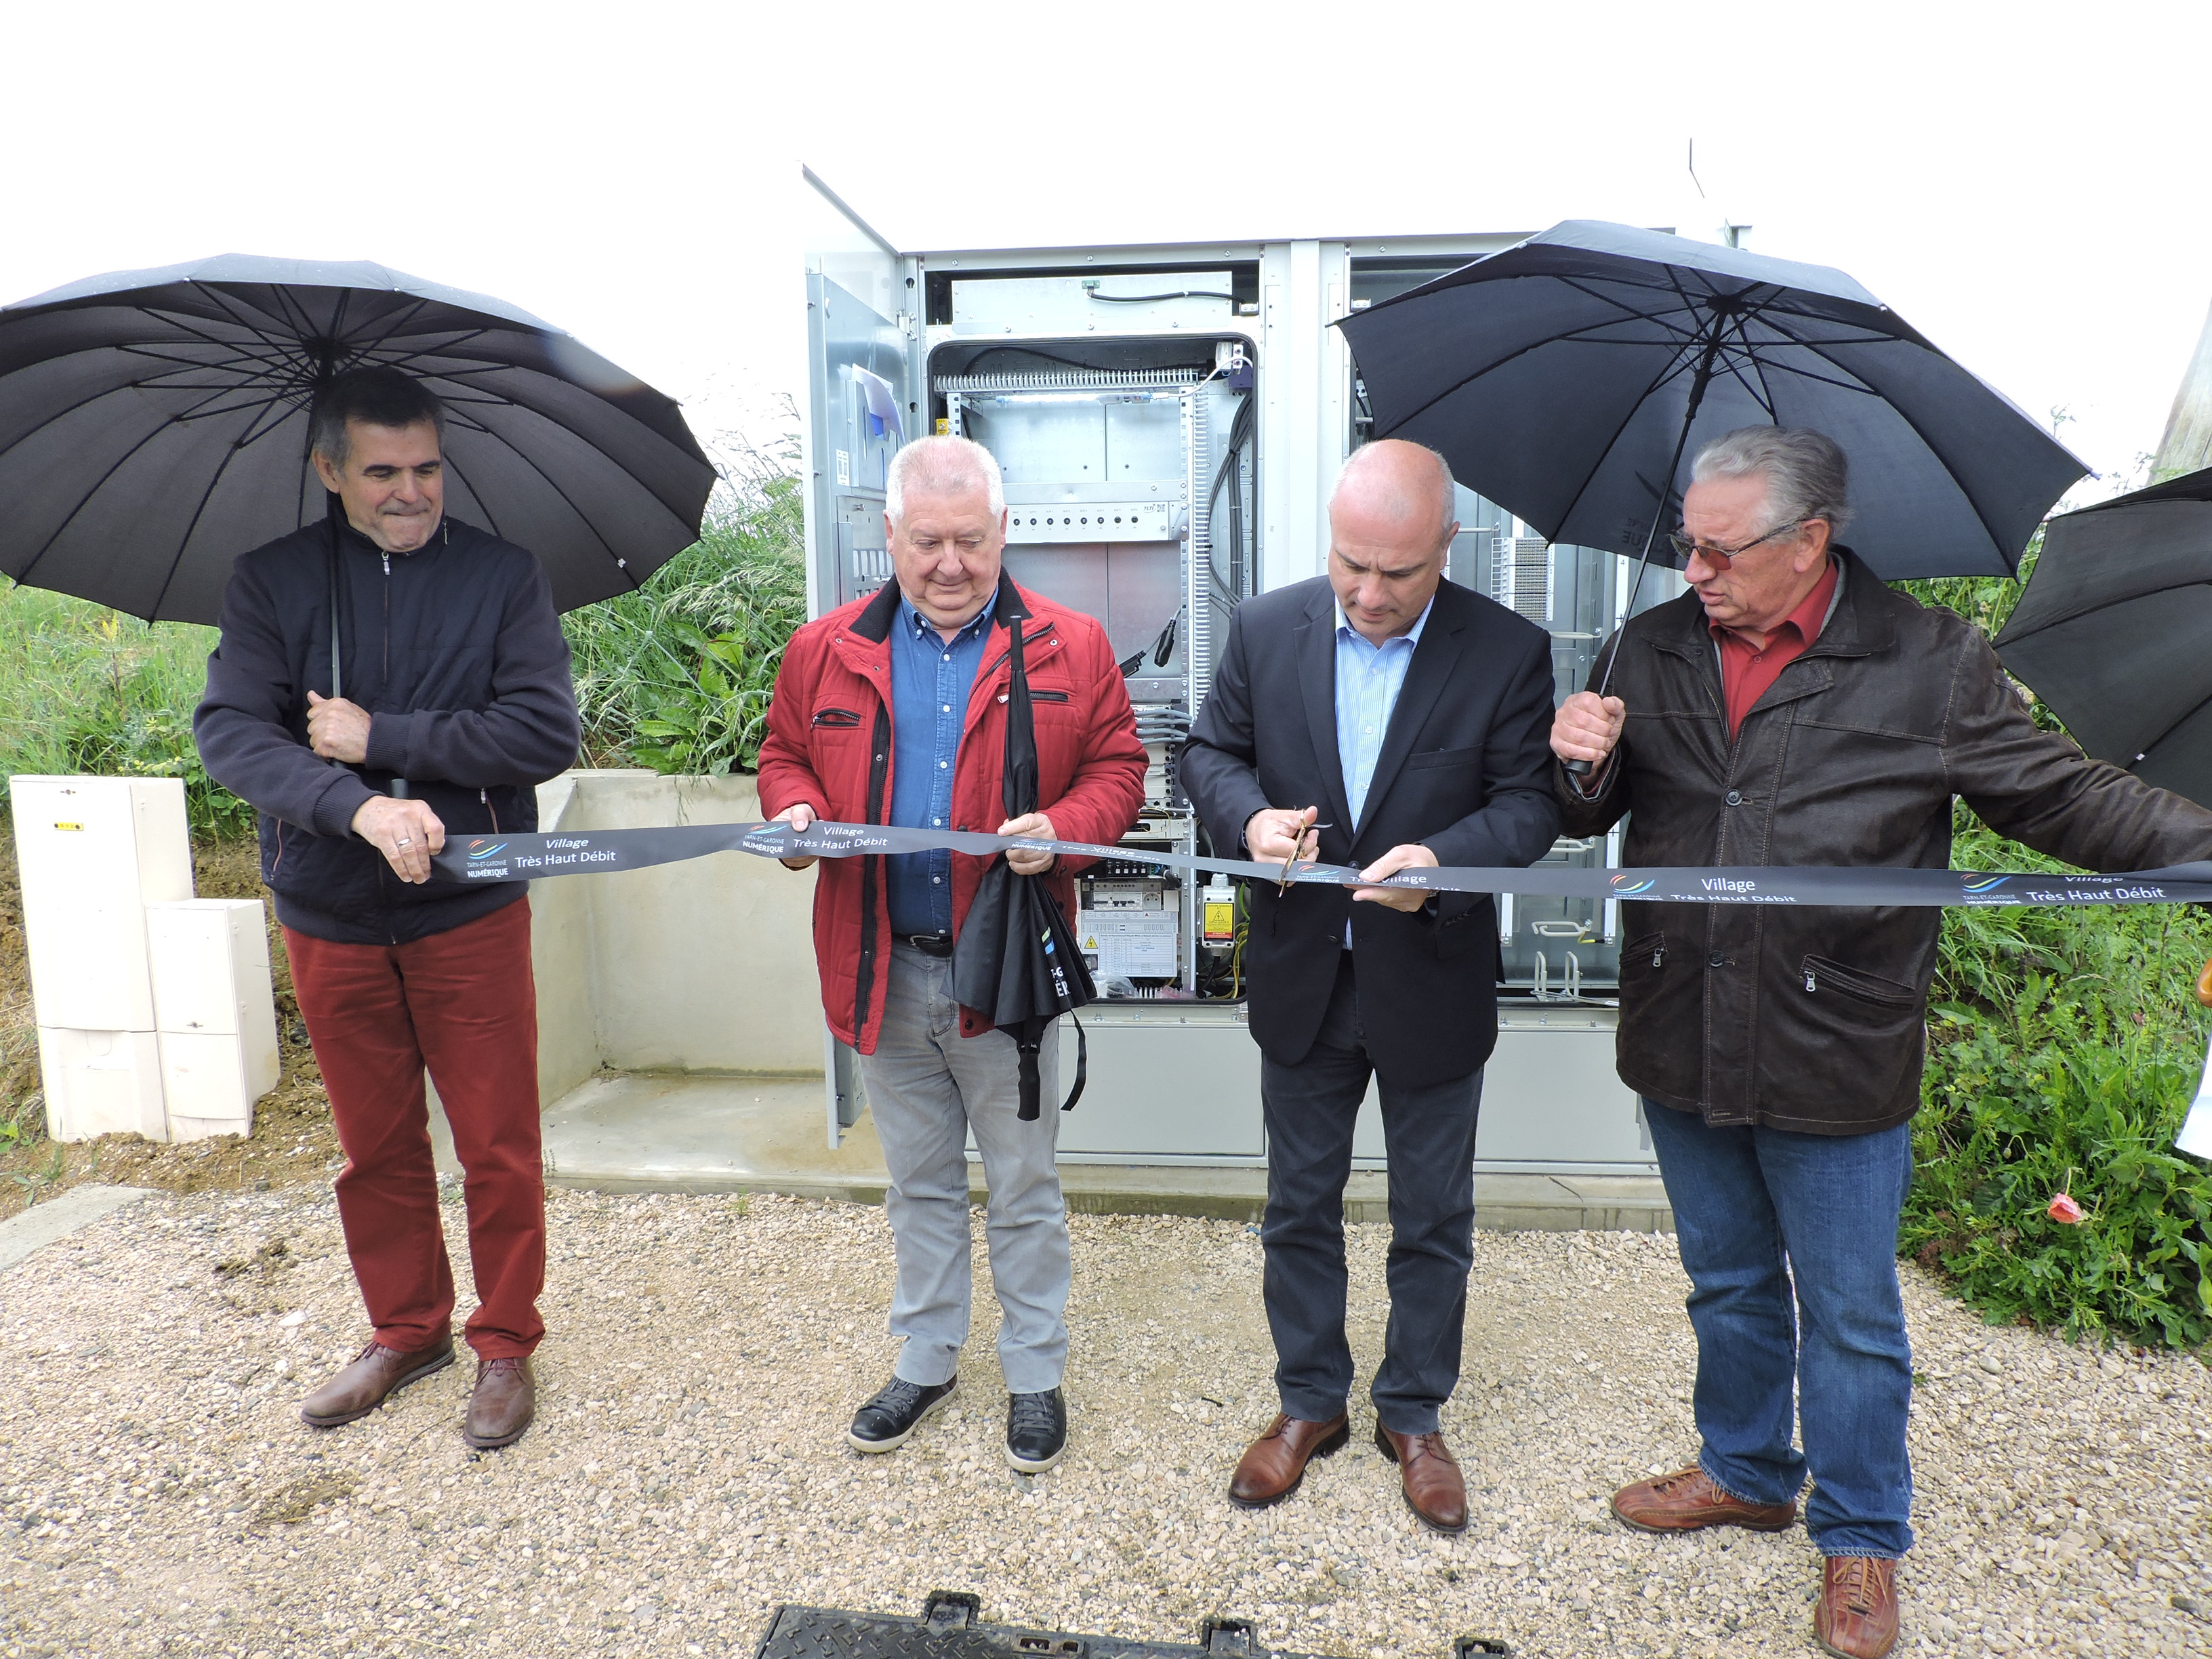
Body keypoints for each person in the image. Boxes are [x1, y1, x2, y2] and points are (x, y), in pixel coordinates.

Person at [1550, 426, 2212, 1659]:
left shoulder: (1929, 658)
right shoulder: (1651, 643)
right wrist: (1581, 767)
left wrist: (2205, 849)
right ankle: (1746, 1468)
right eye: (1686, 541)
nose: (1693, 568)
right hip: (1682, 1022)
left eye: (1720, 548)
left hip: (1833, 1034)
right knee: (1728, 1281)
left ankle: (1861, 1536)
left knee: (1851, 1312)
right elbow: (1594, 803)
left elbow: (2066, 795)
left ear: (1813, 540)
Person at [195, 366, 579, 1450]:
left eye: (427, 469)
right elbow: (232, 731)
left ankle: (504, 1340)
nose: (411, 491)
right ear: (329, 470)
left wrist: (387, 740)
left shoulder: (505, 577)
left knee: (498, 1138)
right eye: (382, 472)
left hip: (470, 903)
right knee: (375, 1145)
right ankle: (407, 1329)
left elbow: (544, 732)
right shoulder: (272, 582)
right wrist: (351, 806)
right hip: (328, 908)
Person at [1181, 439, 1561, 1533]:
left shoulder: (1506, 650)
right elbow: (1207, 754)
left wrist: (1439, 865)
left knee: (1433, 1214)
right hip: (1306, 975)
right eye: (1352, 564)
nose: (1370, 593)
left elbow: (1529, 806)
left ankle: (1413, 1412)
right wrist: (1248, 819)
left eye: (1398, 571)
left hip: (1431, 976)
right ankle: (1309, 1404)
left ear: (1448, 544)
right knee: (1297, 1207)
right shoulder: (1266, 628)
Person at [756, 434, 1146, 1473]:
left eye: (969, 540)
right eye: (926, 541)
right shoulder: (824, 648)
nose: (948, 564)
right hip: (880, 966)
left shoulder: (1071, 645)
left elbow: (1122, 766)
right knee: (918, 1184)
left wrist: (1063, 820)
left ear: (1003, 531)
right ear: (889, 536)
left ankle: (1033, 1374)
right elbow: (785, 749)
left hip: (1004, 975)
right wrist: (792, 807)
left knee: (1022, 1186)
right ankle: (926, 1359)